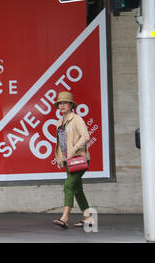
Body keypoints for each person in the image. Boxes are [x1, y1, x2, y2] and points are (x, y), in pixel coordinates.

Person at [52, 91, 93, 229]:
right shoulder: (59, 122)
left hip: (79, 159)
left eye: (65, 103)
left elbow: (85, 136)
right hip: (68, 161)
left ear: (71, 105)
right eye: (60, 103)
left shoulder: (77, 119)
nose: (62, 105)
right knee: (77, 189)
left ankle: (64, 218)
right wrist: (61, 158)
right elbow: (61, 143)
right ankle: (88, 218)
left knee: (68, 185)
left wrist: (73, 150)